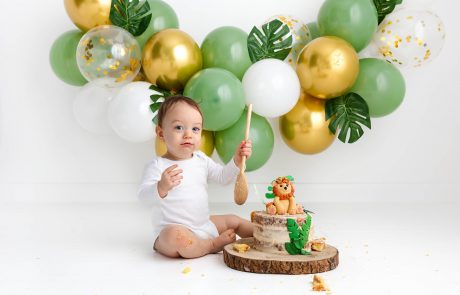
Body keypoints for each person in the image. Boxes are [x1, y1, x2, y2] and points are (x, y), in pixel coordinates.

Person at [138, 95, 254, 258]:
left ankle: (266, 236)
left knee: (234, 221)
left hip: (203, 225)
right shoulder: (158, 166)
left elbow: (223, 177)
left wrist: (236, 160)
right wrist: (161, 187)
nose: (188, 135)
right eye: (179, 127)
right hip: (174, 233)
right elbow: (143, 198)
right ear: (161, 133)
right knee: (174, 237)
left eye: (195, 129)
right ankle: (211, 245)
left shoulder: (201, 159)